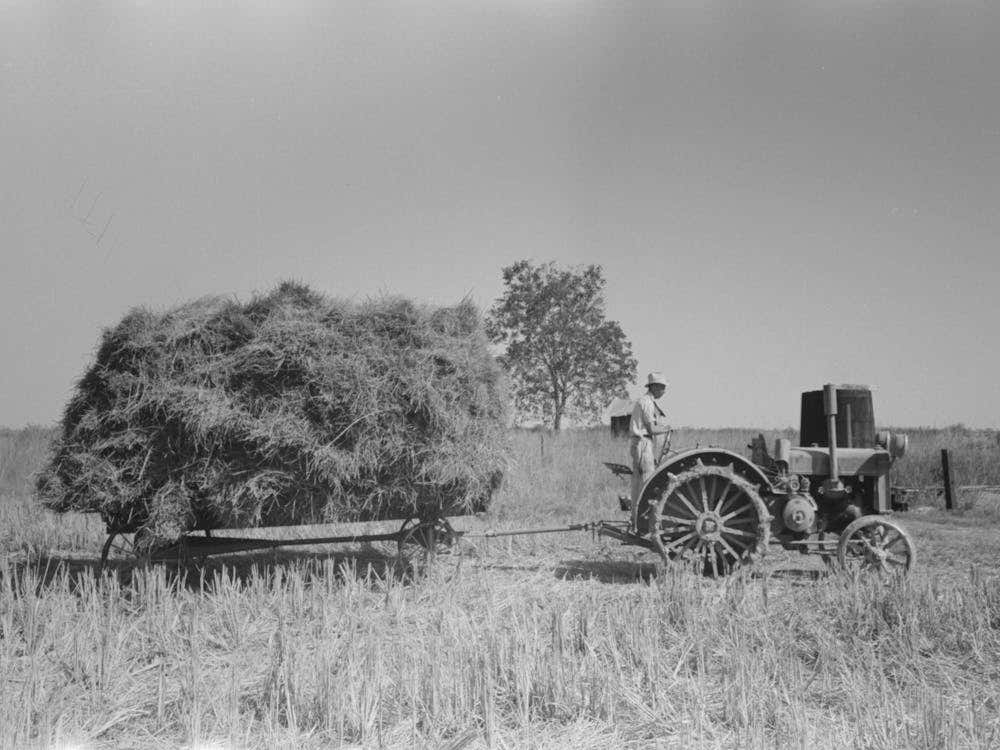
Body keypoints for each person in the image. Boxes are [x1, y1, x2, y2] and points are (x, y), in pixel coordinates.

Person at [629, 372, 671, 532]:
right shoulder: (646, 402)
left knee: (639, 484)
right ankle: (641, 524)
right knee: (646, 483)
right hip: (643, 443)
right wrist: (667, 428)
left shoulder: (646, 401)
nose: (664, 391)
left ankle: (637, 522)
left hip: (642, 443)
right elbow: (651, 428)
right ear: (654, 387)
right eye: (662, 387)